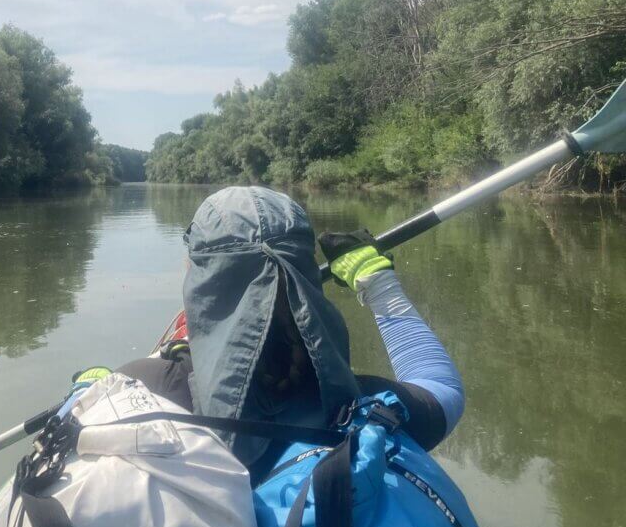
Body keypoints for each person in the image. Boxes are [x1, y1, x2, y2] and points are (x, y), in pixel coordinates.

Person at [117, 186, 464, 483]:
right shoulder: (363, 405)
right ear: (307, 273)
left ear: (197, 278)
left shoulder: (142, 388)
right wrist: (376, 281)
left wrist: (90, 388)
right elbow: (444, 390)